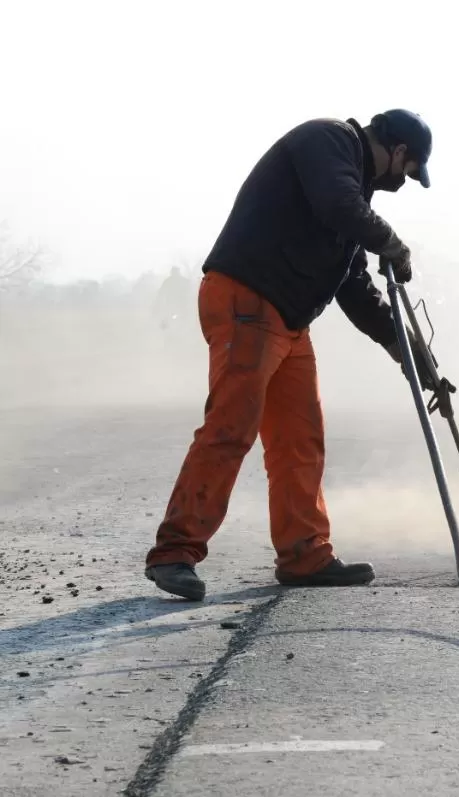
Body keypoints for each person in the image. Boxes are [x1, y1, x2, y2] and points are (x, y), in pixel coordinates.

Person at [144, 109, 435, 602]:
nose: (401, 183)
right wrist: (391, 242)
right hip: (247, 299)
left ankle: (305, 554)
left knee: (300, 438)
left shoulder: (353, 191)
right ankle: (175, 552)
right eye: (406, 172)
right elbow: (337, 203)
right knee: (230, 428)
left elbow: (354, 286)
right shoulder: (328, 142)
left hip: (287, 319)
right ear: (399, 151)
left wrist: (406, 352)